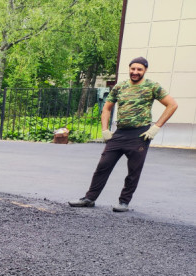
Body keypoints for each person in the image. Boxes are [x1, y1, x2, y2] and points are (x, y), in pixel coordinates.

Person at [69, 57, 178, 212]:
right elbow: (107, 108)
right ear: (129, 69)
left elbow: (172, 105)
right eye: (133, 69)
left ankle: (124, 202)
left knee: (134, 171)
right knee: (103, 166)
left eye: (139, 69)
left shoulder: (152, 86)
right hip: (119, 134)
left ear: (145, 70)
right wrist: (105, 130)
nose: (135, 72)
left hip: (140, 135)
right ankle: (89, 198)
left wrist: (156, 127)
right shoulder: (120, 87)